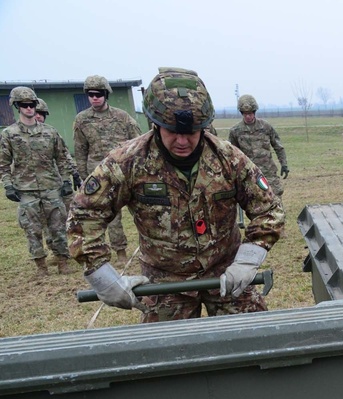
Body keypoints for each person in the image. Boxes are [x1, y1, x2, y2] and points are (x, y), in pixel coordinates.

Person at [67, 67, 284, 322]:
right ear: (156, 124)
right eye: (173, 131)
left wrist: (248, 260)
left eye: (191, 133)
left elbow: (268, 209)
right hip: (164, 281)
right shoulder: (127, 162)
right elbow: (85, 215)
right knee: (166, 355)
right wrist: (103, 276)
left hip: (227, 273)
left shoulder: (229, 159)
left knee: (257, 339)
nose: (182, 141)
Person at [1, 86, 74, 275]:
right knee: (32, 230)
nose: (29, 109)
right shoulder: (9, 134)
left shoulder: (50, 132)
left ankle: (62, 262)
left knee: (58, 227)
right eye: (24, 105)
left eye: (31, 104)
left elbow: (62, 158)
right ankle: (41, 266)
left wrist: (66, 181)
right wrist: (8, 185)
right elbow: (3, 162)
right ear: (17, 106)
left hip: (51, 186)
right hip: (25, 188)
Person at [73, 75, 143, 263]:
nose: (95, 97)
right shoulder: (82, 120)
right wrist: (83, 177)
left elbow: (138, 144)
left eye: (99, 94)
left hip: (125, 173)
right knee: (109, 217)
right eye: (91, 94)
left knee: (141, 212)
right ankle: (119, 252)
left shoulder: (122, 117)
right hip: (99, 176)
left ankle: (147, 248)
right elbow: (80, 150)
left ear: (106, 95)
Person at [228, 94, 289, 202]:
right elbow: (232, 154)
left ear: (254, 112)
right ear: (241, 113)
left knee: (276, 201)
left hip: (268, 173)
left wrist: (283, 164)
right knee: (255, 204)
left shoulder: (266, 127)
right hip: (249, 174)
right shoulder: (235, 131)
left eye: (250, 113)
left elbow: (278, 147)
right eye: (245, 113)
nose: (248, 116)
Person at [35, 98, 82, 230]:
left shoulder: (52, 133)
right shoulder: (17, 135)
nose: (38, 116)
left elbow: (65, 156)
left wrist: (75, 174)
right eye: (35, 112)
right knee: (48, 221)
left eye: (41, 113)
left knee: (73, 212)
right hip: (38, 186)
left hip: (60, 181)